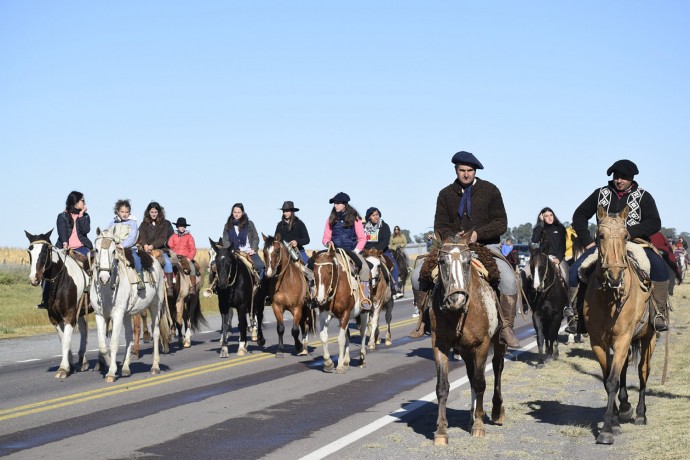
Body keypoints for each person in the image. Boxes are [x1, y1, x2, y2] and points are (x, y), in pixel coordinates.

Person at [430, 150, 522, 348]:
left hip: (486, 246)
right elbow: (439, 224)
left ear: (475, 171)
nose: (466, 174)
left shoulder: (490, 190)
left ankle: (506, 327)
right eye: (462, 170)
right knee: (421, 274)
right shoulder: (445, 194)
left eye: (469, 170)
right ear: (456, 170)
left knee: (507, 279)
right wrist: (454, 239)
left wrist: (476, 235)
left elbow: (501, 223)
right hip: (454, 248)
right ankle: (425, 322)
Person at [569, 159, 669, 332]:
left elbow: (654, 222)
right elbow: (579, 215)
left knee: (660, 267)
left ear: (632, 178)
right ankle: (576, 316)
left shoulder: (643, 196)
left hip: (635, 244)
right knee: (575, 270)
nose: (619, 180)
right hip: (604, 246)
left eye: (624, 177)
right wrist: (588, 242)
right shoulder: (600, 194)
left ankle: (659, 313)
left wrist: (631, 232)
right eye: (617, 176)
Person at [38, 191, 93, 309]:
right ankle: (45, 297)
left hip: (82, 247)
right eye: (82, 200)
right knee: (49, 268)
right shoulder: (62, 216)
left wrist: (82, 215)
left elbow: (85, 231)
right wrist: (65, 243)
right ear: (75, 202)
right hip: (64, 246)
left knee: (93, 265)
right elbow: (62, 230)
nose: (84, 202)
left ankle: (92, 297)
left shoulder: (85, 216)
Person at [321, 192, 372, 310]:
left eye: (338, 203)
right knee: (317, 266)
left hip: (352, 251)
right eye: (334, 203)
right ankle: (316, 296)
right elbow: (325, 237)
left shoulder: (356, 218)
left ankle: (364, 297)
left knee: (364, 268)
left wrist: (356, 251)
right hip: (335, 252)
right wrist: (328, 243)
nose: (335, 205)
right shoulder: (330, 219)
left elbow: (362, 238)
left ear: (344, 204)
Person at [363, 207, 402, 299]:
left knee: (394, 266)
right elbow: (363, 240)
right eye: (373, 215)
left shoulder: (384, 226)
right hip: (368, 252)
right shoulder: (364, 228)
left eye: (377, 215)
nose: (376, 217)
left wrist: (377, 250)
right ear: (369, 217)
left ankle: (395, 289)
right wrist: (367, 250)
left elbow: (385, 240)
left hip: (383, 252)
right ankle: (363, 292)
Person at [105, 199, 144, 290]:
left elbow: (132, 237)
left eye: (127, 212)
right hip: (114, 248)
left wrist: (122, 245)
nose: (124, 214)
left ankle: (140, 280)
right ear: (117, 212)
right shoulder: (112, 223)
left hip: (129, 248)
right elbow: (107, 235)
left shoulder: (133, 223)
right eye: (122, 212)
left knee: (136, 258)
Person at [138, 201, 175, 296]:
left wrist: (153, 246)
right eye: (152, 212)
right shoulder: (143, 224)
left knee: (167, 262)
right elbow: (141, 235)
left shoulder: (164, 224)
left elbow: (163, 238)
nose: (154, 214)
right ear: (148, 213)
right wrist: (145, 244)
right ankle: (140, 283)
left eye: (155, 212)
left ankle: (169, 287)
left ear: (159, 212)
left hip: (160, 249)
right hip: (145, 249)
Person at [223, 203, 264, 279]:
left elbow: (255, 237)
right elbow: (225, 239)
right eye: (234, 212)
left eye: (238, 212)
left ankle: (261, 287)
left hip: (249, 252)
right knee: (221, 266)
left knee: (261, 266)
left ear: (243, 212)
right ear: (232, 212)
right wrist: (230, 250)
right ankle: (215, 287)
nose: (236, 214)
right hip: (234, 253)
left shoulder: (249, 224)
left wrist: (253, 249)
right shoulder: (228, 225)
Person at [167, 217, 198, 294]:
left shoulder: (189, 237)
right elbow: (169, 247)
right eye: (180, 226)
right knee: (167, 266)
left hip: (185, 257)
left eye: (184, 226)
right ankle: (169, 285)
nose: (182, 227)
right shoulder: (173, 236)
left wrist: (189, 258)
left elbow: (193, 249)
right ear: (177, 226)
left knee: (192, 267)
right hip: (174, 257)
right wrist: (170, 254)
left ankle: (192, 286)